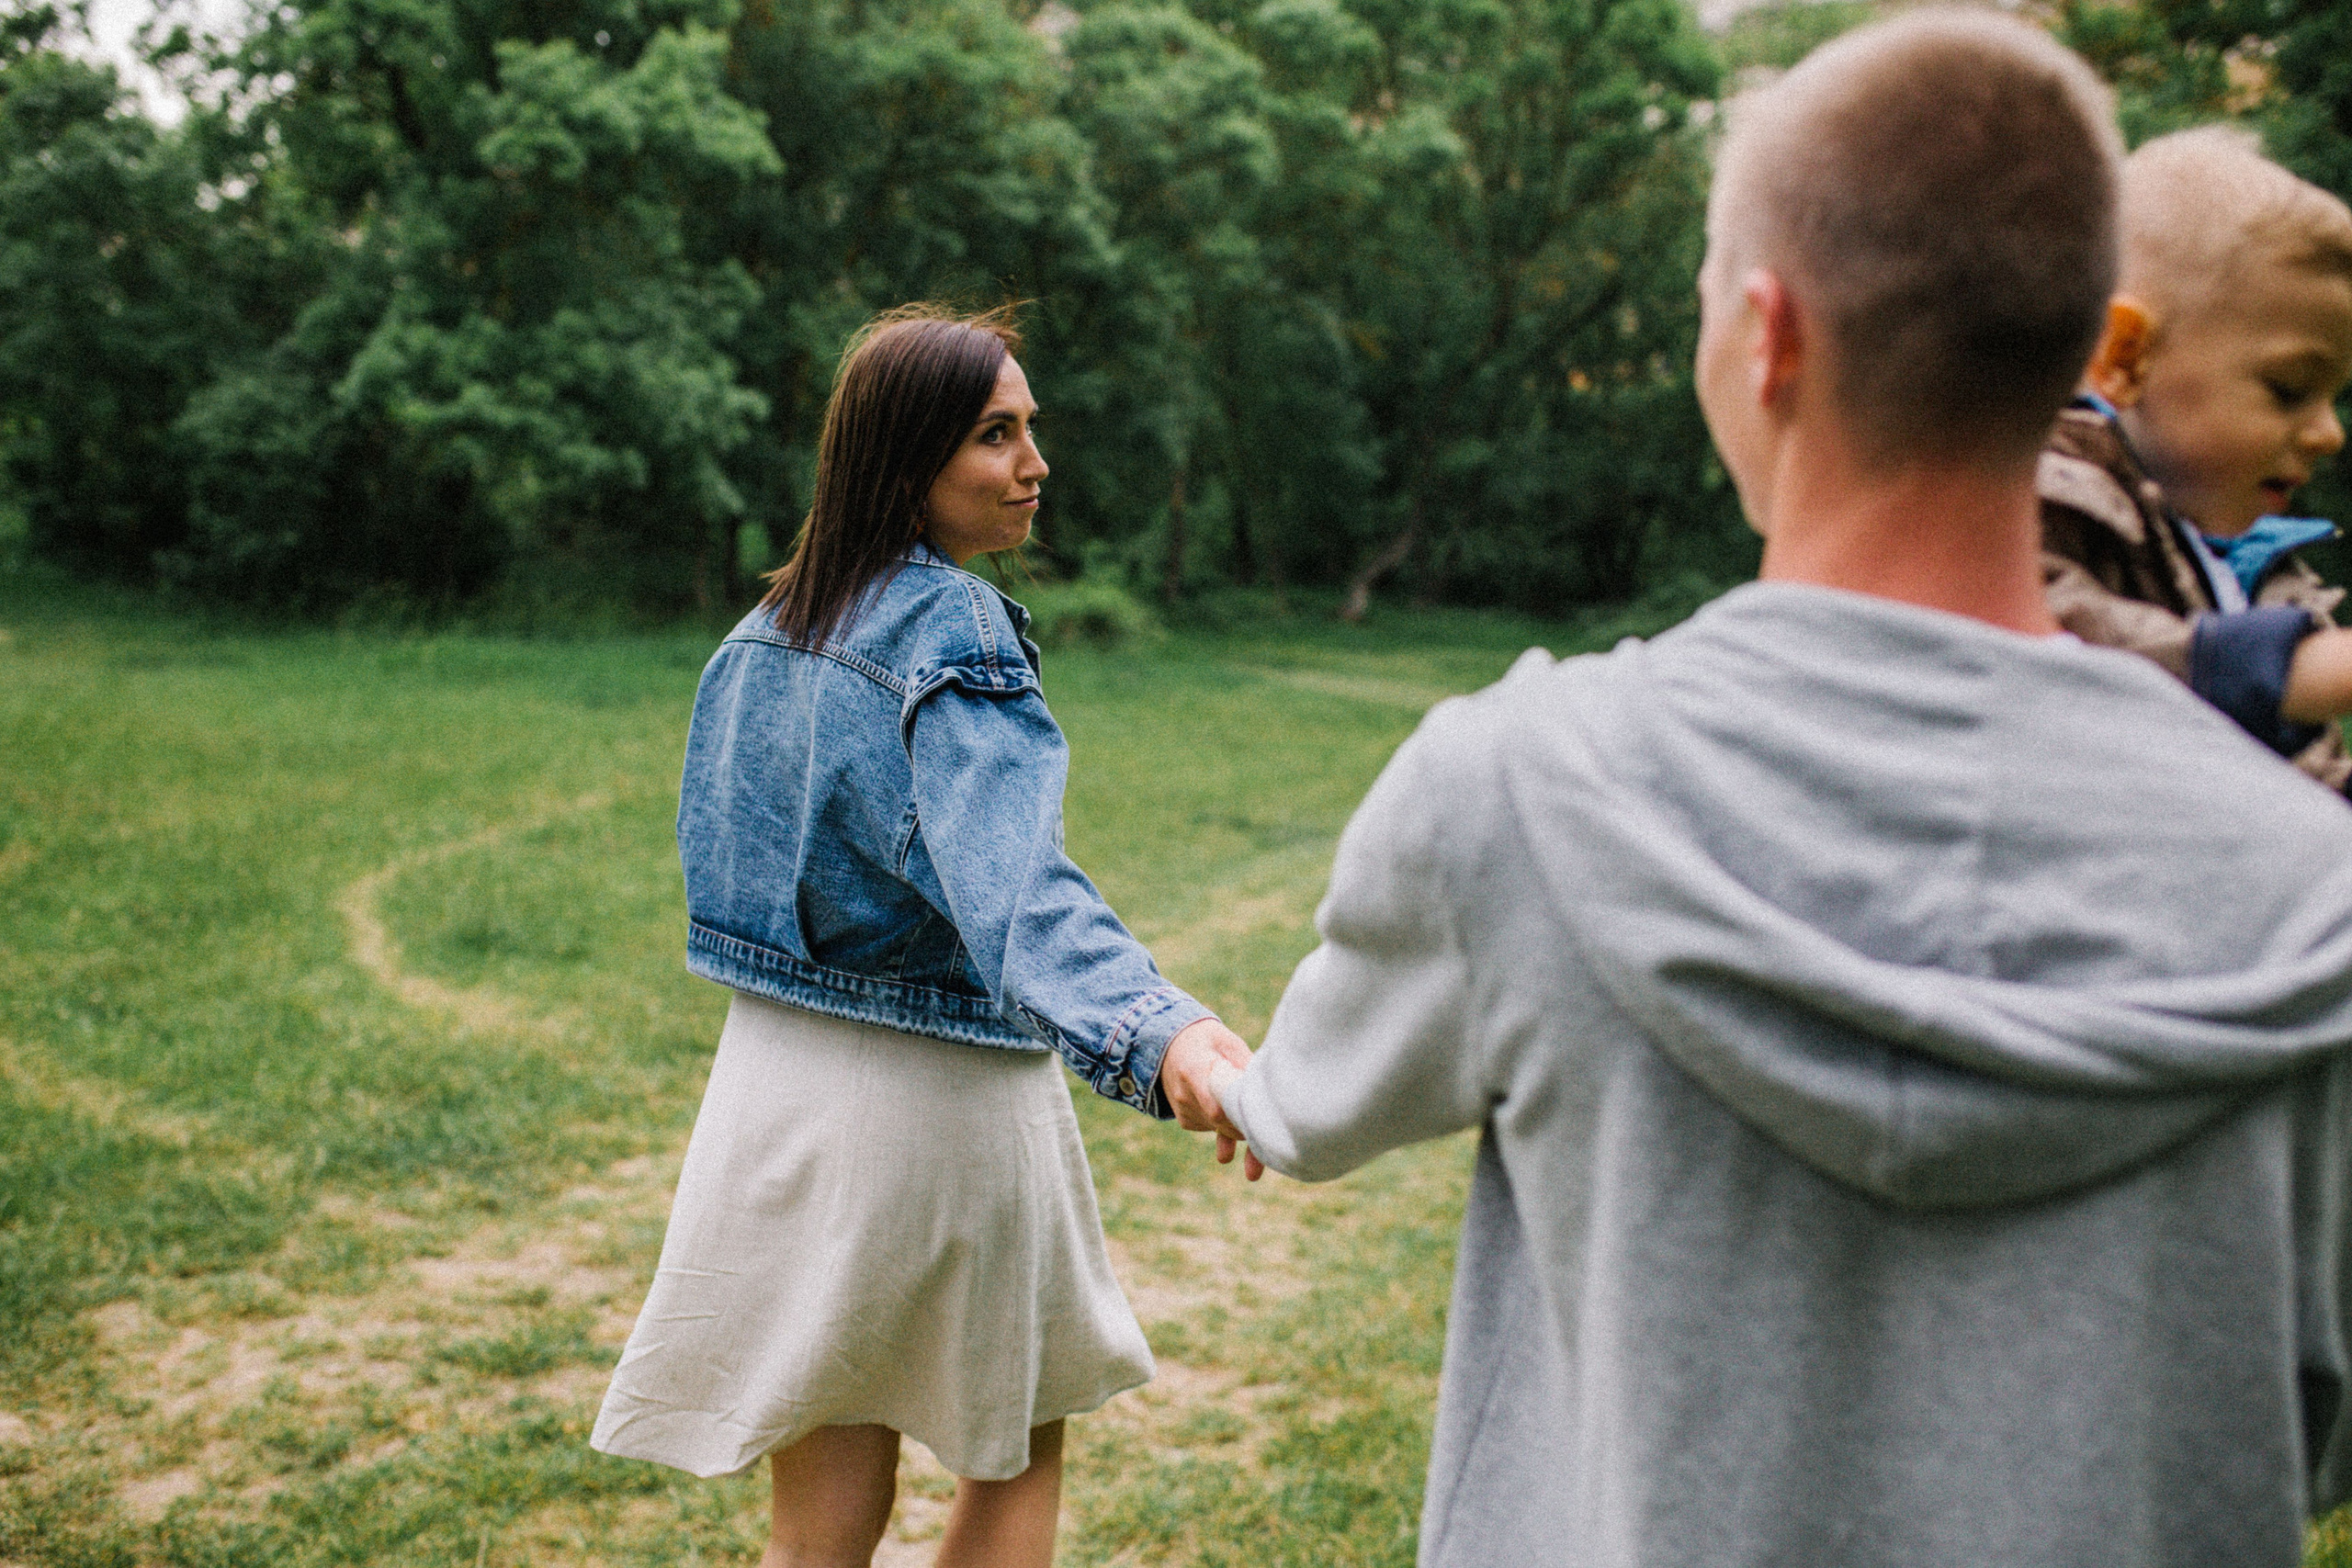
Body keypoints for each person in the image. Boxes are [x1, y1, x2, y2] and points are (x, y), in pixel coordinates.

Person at [1206, 14, 2352, 1567]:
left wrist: (1214, 1068)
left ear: (1767, 335)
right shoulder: (2316, 889)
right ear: (2098, 352)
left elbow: (1306, 1103)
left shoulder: (1512, 793)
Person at [590, 303, 1251, 1568]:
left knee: (818, 1518)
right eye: (995, 434)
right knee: (1012, 1460)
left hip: (773, 1100)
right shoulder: (955, 626)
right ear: (906, 458)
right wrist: (1161, 1033)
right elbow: (1019, 894)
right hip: (937, 1102)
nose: (1034, 463)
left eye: (1029, 429)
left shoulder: (759, 635)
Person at [2041, 124, 2352, 789]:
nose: (2330, 433)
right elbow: (2047, 650)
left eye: (2334, 397)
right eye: (2289, 388)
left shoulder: (2260, 571)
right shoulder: (2043, 495)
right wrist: (2288, 669)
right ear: (2125, 357)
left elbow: (2313, 785)